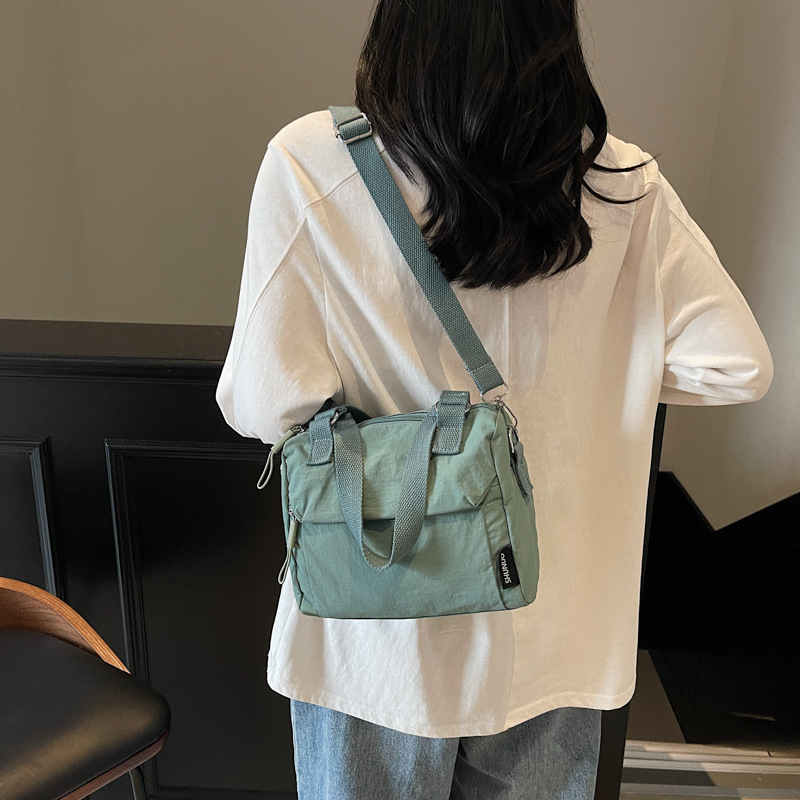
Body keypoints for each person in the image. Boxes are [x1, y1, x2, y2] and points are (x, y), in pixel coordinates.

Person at [216, 1, 773, 797]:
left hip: (379, 626)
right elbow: (738, 366)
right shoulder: (621, 183)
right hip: (556, 626)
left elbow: (263, 403)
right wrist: (603, 368)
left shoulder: (312, 164)